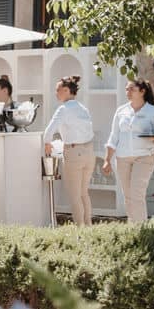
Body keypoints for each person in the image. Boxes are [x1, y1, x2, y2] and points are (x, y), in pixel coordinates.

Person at [105, 77, 154, 224]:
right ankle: (133, 226)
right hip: (123, 158)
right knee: (127, 195)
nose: (128, 92)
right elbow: (114, 137)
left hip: (145, 156)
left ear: (142, 91)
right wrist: (107, 160)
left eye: (132, 89)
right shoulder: (121, 111)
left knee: (136, 193)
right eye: (127, 89)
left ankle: (141, 229)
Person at [41, 75, 97, 225]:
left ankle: (80, 230)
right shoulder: (83, 108)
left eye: (57, 90)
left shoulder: (63, 109)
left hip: (74, 153)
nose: (55, 93)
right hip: (89, 152)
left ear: (66, 90)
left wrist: (47, 143)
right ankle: (88, 227)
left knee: (74, 196)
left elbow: (48, 131)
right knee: (84, 193)